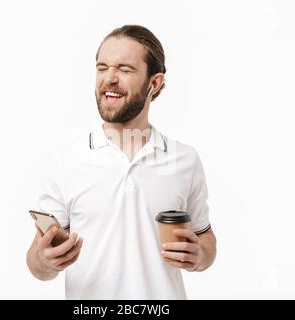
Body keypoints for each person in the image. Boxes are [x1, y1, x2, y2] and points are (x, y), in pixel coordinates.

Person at [26, 25, 217, 299]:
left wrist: (200, 256)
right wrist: (44, 261)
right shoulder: (67, 161)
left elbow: (206, 238)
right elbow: (36, 261)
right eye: (102, 67)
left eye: (124, 69)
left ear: (155, 83)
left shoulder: (184, 160)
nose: (109, 79)